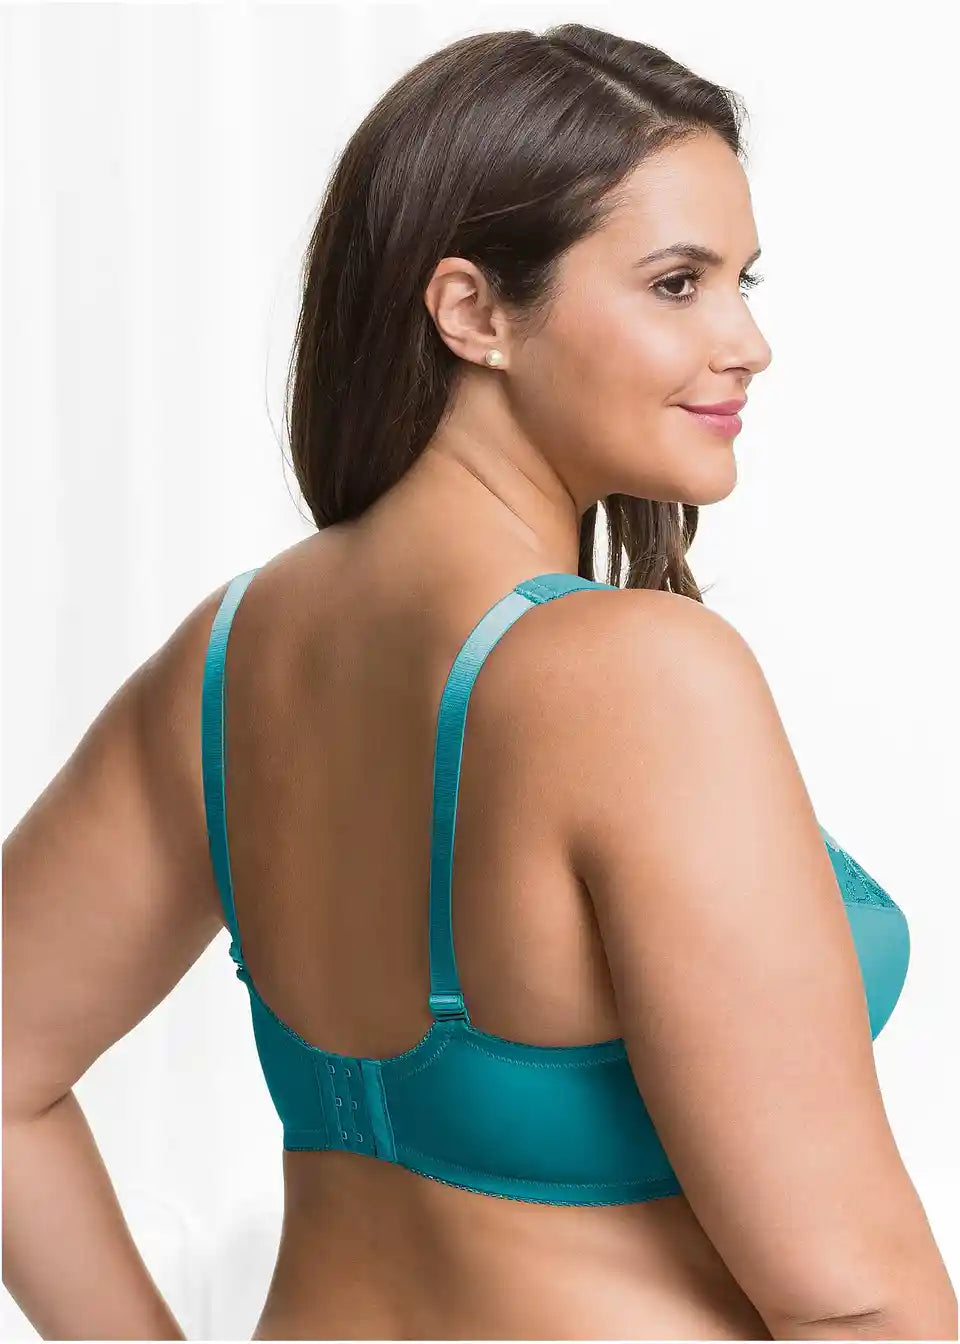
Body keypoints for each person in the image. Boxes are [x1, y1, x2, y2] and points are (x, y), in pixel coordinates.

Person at [3, 21, 956, 1342]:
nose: (748, 343)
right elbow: (864, 1309)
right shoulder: (637, 678)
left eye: (742, 281)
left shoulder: (229, 658)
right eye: (677, 284)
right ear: (474, 313)